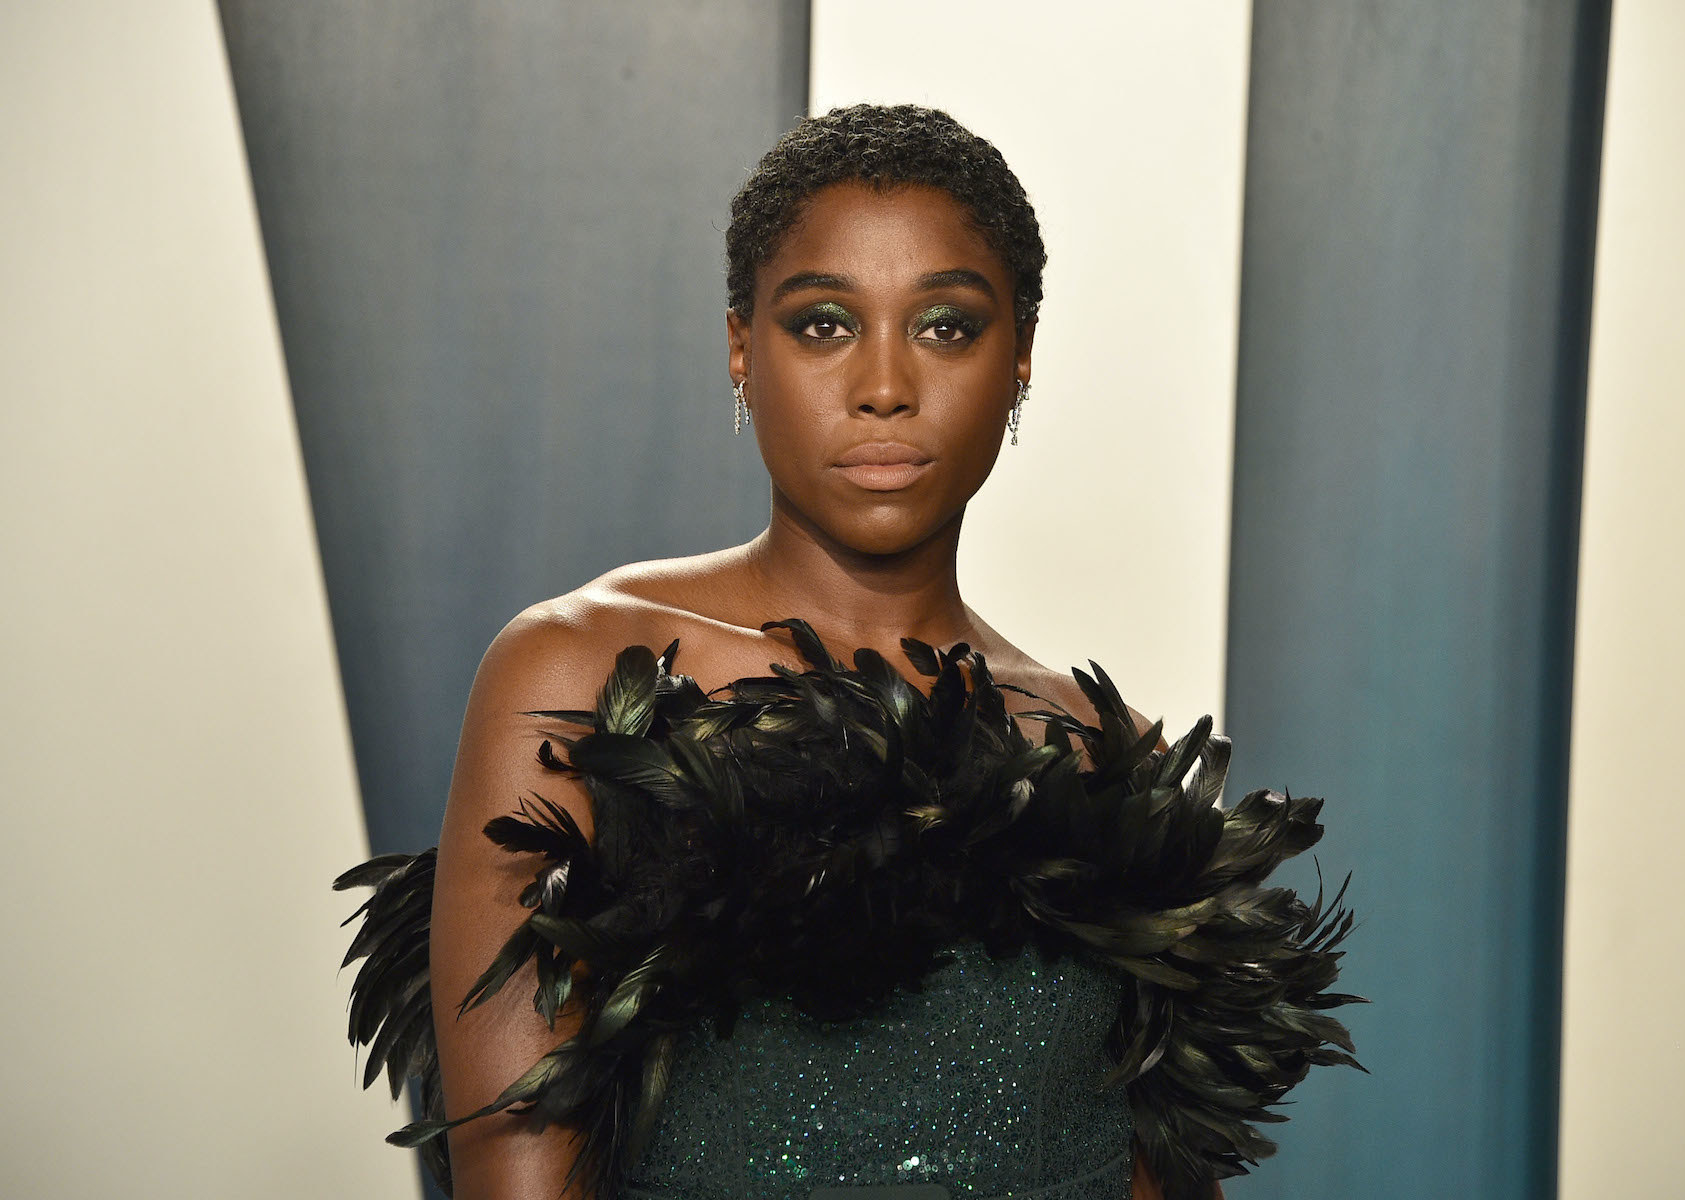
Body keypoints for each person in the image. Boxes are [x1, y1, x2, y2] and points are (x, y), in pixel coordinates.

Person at [338, 104, 1358, 1200]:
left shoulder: (1110, 767)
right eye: (824, 323)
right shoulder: (579, 680)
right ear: (741, 348)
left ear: (1019, 362)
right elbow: (518, 1169)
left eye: (946, 327)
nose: (883, 386)